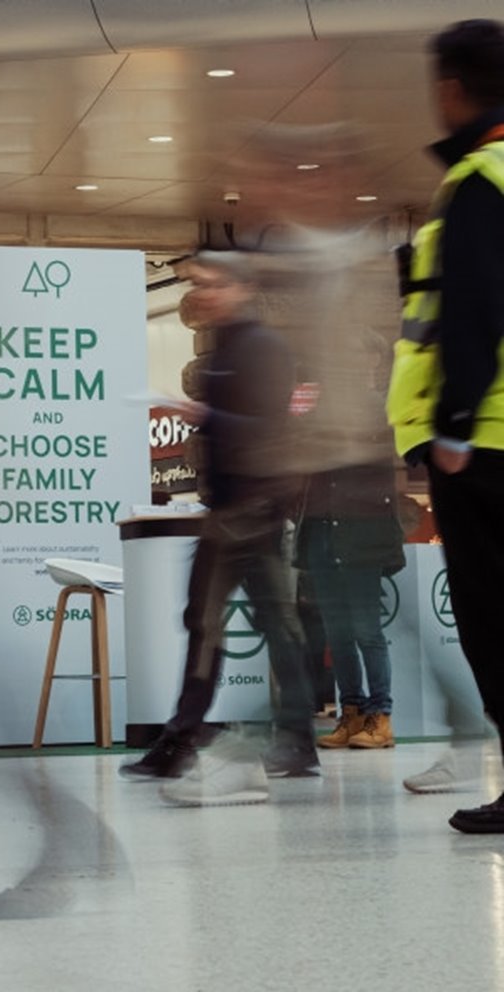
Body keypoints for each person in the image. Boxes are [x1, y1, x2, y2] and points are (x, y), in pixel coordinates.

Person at [120, 251, 317, 806]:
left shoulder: (262, 349)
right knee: (269, 624)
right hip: (237, 506)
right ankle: (290, 742)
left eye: (210, 285)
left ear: (239, 288)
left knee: (209, 620)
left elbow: (269, 427)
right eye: (198, 285)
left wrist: (201, 415)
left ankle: (184, 740)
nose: (201, 294)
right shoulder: (224, 350)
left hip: (247, 512)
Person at [386, 19, 504, 830]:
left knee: (495, 620)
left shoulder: (476, 182)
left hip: (487, 444)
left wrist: (452, 428)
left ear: (452, 89)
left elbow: (470, 313)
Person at [295, 330, 405, 750]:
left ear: (373, 363)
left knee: (366, 630)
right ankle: (351, 713)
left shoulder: (381, 406)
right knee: (337, 632)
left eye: (357, 357)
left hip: (364, 532)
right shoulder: (319, 403)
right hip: (322, 529)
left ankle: (381, 716)